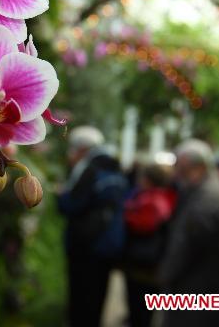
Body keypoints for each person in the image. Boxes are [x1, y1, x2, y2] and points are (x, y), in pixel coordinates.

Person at [58, 126, 128, 327]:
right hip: (108, 243)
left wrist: (61, 195)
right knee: (98, 295)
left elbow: (72, 204)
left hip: (84, 245)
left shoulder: (88, 169)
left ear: (82, 148)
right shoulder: (115, 167)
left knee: (81, 298)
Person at [159, 139, 219, 327]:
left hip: (196, 285)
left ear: (198, 167)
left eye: (181, 168)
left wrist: (167, 273)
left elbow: (187, 244)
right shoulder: (205, 190)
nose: (176, 173)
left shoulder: (209, 197)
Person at [123, 163, 177, 327]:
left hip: (144, 264)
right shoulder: (165, 196)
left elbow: (144, 225)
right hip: (150, 263)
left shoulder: (152, 199)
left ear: (148, 180)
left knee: (139, 308)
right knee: (143, 308)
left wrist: (127, 214)